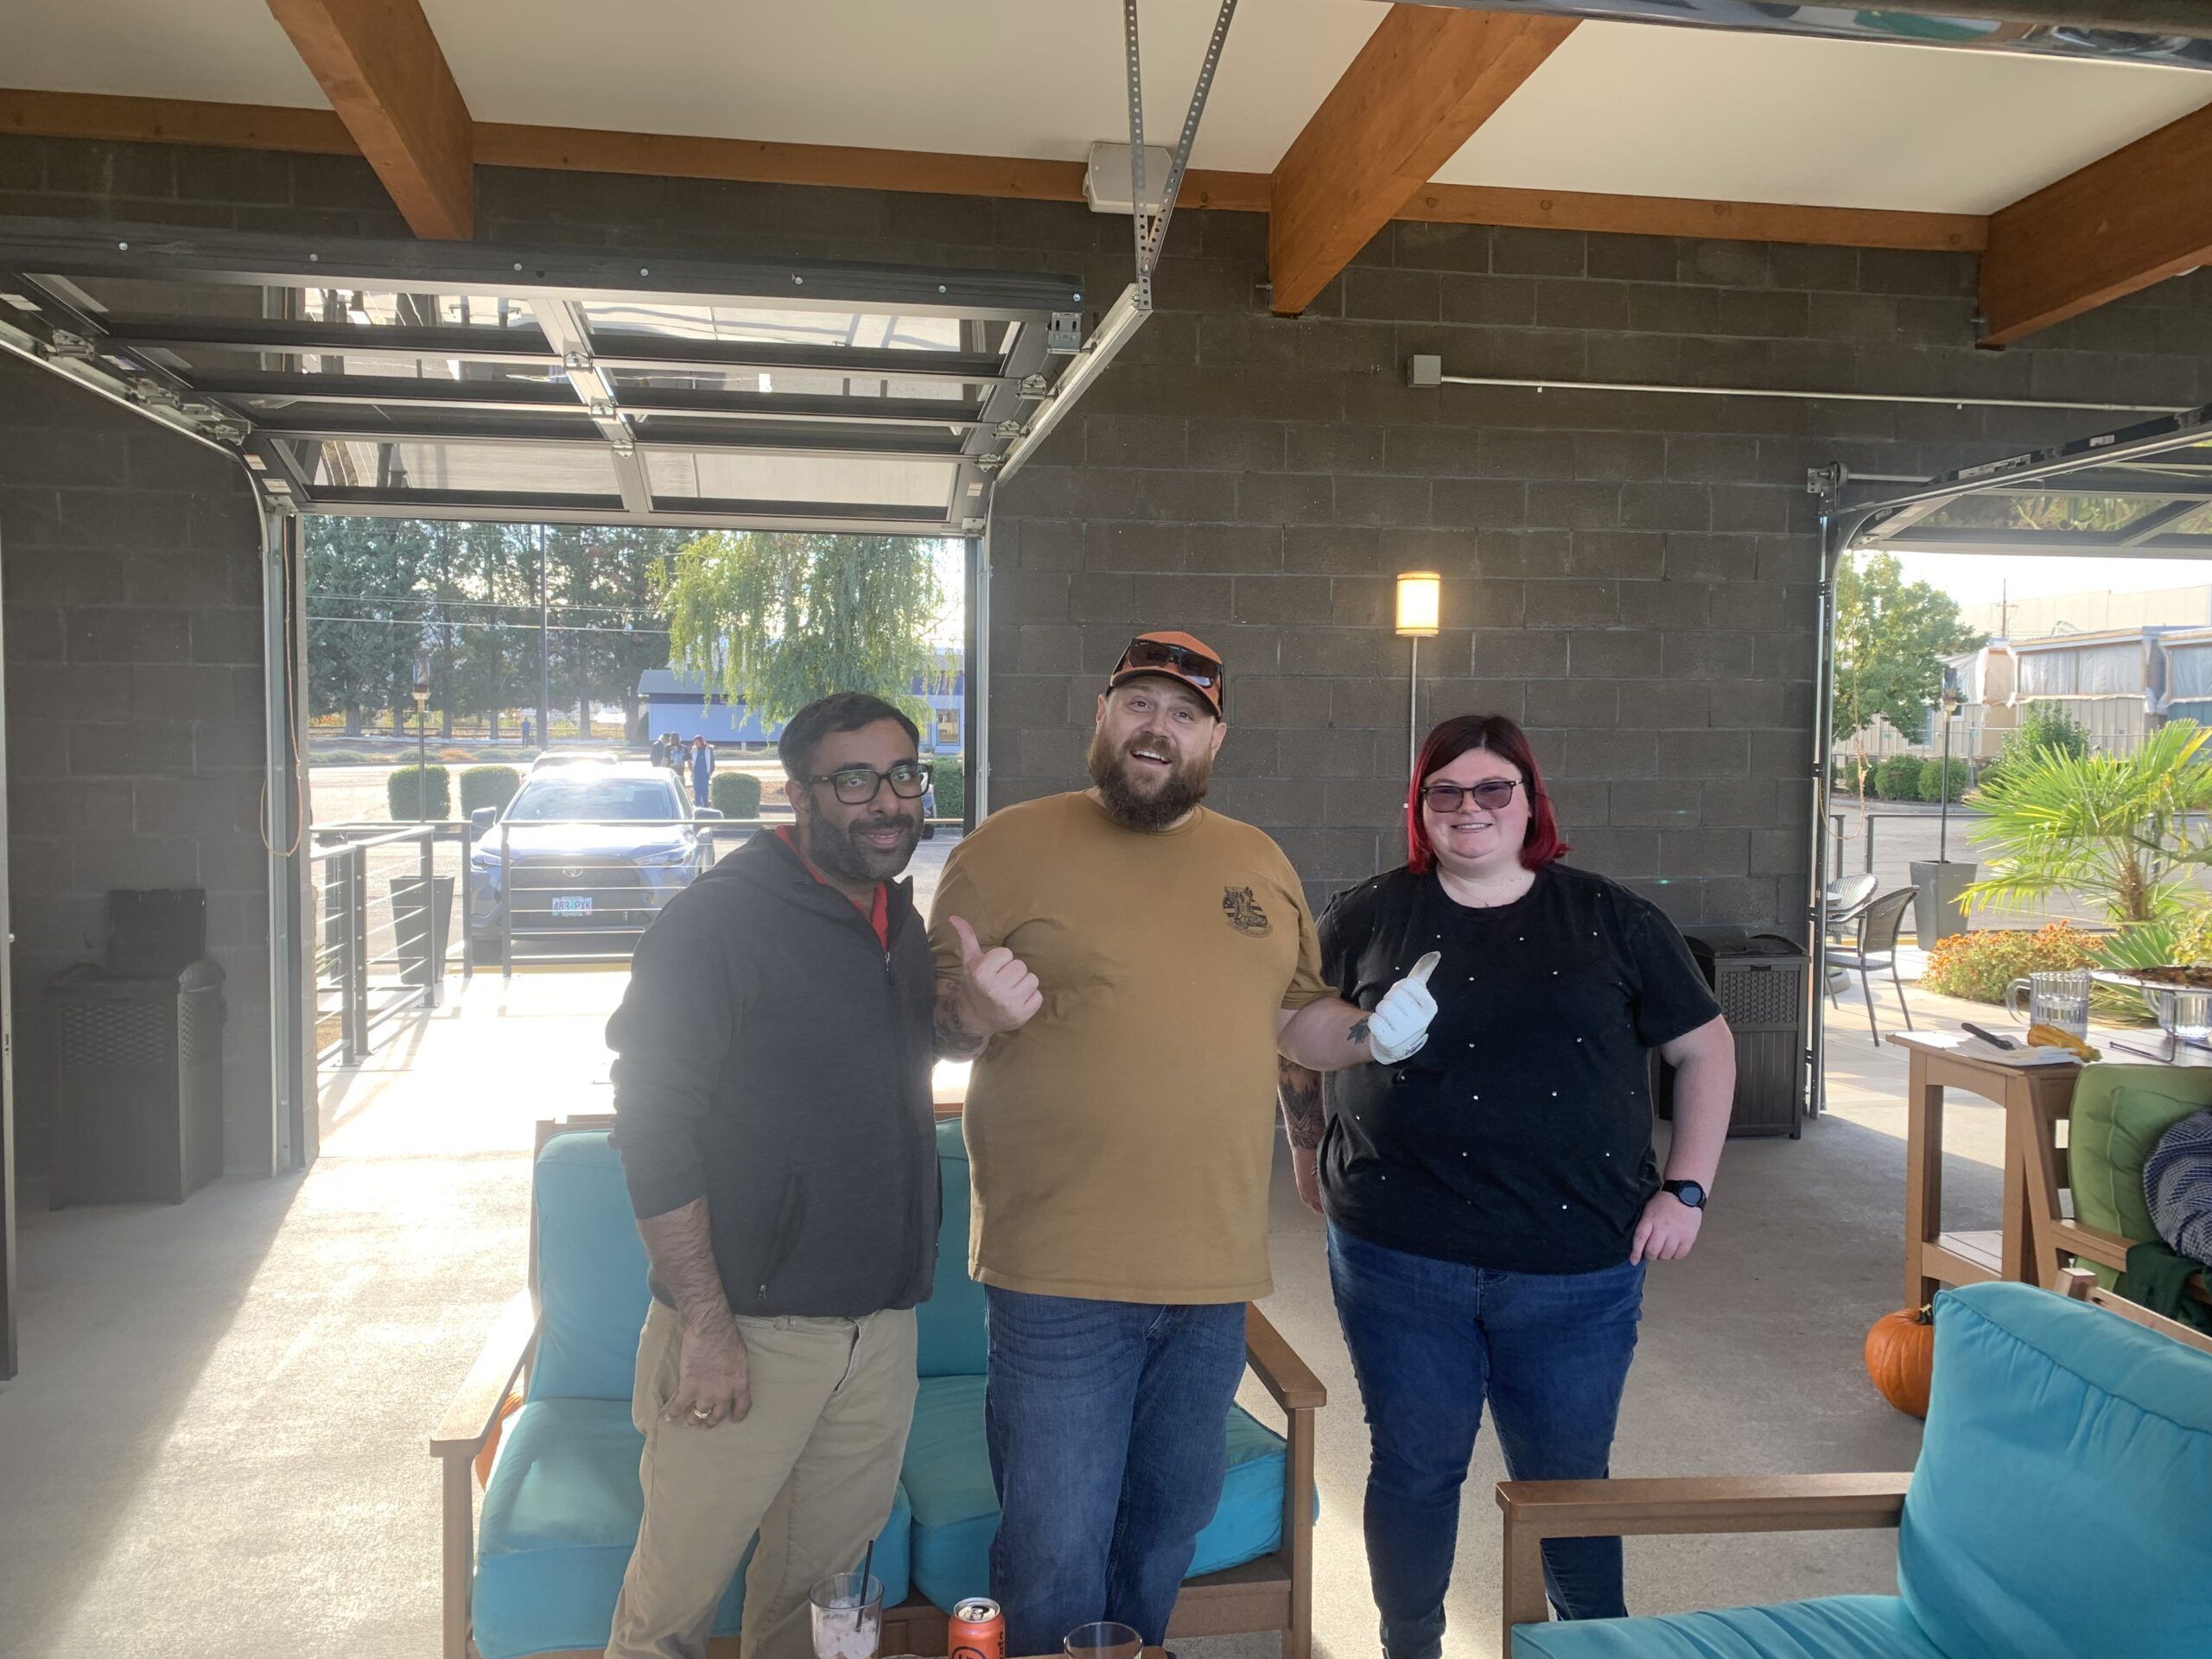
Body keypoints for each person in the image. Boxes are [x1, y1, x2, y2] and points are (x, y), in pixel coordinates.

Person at [928, 630, 1444, 1656]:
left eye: (1184, 712)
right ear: (1102, 718)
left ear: (1216, 737)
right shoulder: (1009, 848)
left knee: (1165, 1531)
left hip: (1210, 1277)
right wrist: (975, 1013)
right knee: (1054, 1549)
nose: (1157, 727)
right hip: (1058, 1274)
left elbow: (1295, 1013)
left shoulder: (1256, 861)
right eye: (1138, 704)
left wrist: (1367, 1034)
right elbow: (935, 1014)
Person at [1277, 712, 1735, 1655]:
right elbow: (1292, 1033)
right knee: (1413, 1468)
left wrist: (1685, 1189)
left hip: (1574, 1264)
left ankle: (1587, 1645)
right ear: (1420, 810)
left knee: (1564, 1480)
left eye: (1494, 789)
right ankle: (1412, 1644)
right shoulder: (1369, 914)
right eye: (1446, 792)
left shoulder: (1611, 917)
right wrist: (1304, 1146)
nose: (1470, 809)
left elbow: (1706, 1049)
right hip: (1399, 1255)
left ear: (1530, 803)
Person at [601, 691, 940, 1659]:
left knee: (822, 1608)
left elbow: (885, 1067)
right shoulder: (713, 927)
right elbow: (653, 1128)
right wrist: (705, 1325)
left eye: (904, 776)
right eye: (855, 780)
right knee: (669, 1613)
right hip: (745, 1336)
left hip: (878, 1334)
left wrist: (981, 1016)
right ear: (798, 795)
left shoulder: (894, 923)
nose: (887, 802)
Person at [689, 734, 715, 809]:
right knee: (697, 790)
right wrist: (692, 772)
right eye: (694, 742)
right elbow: (689, 760)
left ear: (701, 741)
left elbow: (712, 762)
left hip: (705, 773)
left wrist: (710, 772)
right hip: (696, 773)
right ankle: (698, 806)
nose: (695, 743)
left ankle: (706, 806)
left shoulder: (708, 750)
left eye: (697, 742)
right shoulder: (694, 750)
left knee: (704, 790)